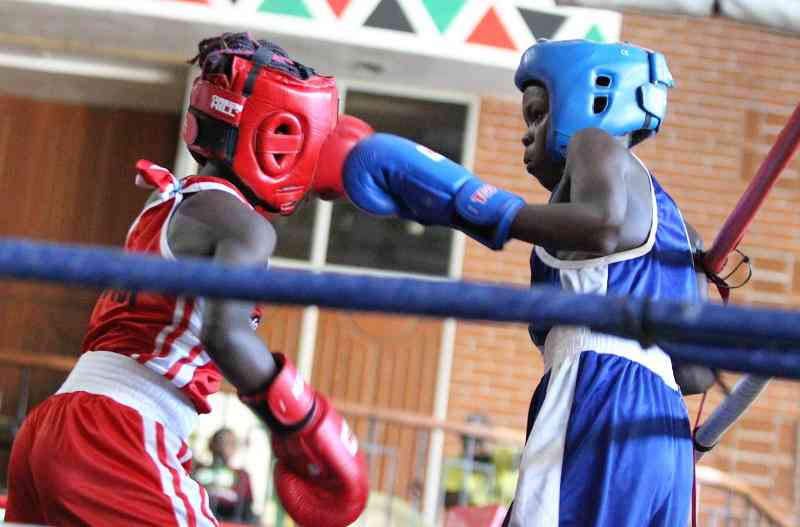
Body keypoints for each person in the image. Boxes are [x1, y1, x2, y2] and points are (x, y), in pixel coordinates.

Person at [341, 39, 715, 526]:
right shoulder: (680, 228)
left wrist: (491, 211)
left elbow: (602, 224)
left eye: (537, 114)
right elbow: (696, 375)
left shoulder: (592, 142)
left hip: (598, 392)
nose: (527, 134)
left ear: (589, 100)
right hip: (661, 427)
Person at [6, 33, 372, 527]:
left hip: (57, 421)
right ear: (280, 138)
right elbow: (226, 333)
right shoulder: (243, 226)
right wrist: (304, 422)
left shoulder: (172, 200)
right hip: (120, 433)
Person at [193, 428, 256, 525]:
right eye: (222, 441)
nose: (226, 446)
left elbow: (247, 509)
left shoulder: (241, 475)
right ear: (212, 444)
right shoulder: (198, 470)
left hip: (229, 520)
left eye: (232, 443)